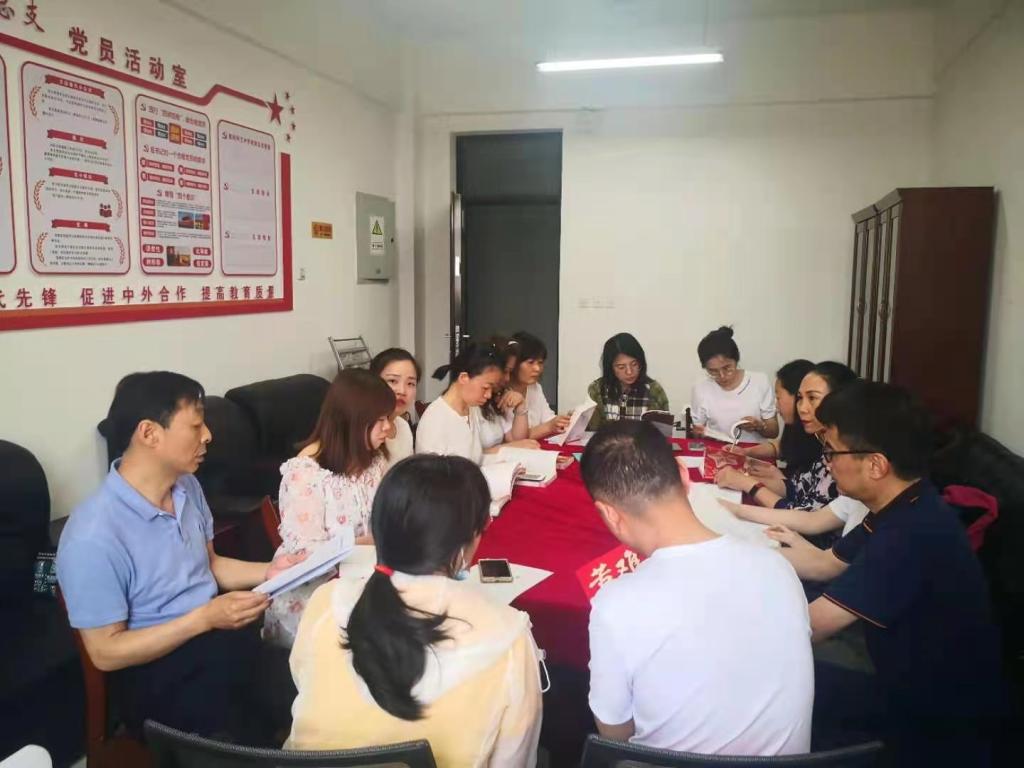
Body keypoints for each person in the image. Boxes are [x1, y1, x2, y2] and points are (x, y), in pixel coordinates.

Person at [56, 372, 305, 740]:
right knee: (250, 730)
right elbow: (106, 652)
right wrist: (203, 618)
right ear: (149, 433)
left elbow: (211, 565)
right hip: (154, 671)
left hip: (216, 642)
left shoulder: (186, 486)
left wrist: (272, 570)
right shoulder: (92, 535)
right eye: (196, 425)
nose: (208, 435)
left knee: (310, 685)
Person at [287, 454, 543, 767]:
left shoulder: (326, 602)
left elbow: (306, 687)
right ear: (470, 539)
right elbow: (515, 759)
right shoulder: (509, 638)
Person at [800, 382, 1005, 766]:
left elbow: (810, 627)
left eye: (832, 451)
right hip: (903, 676)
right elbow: (825, 564)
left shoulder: (910, 533)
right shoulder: (907, 501)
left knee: (776, 680)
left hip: (931, 721)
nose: (827, 463)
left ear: (876, 465)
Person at [580, 421, 813, 755]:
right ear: (683, 474)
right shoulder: (777, 567)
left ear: (609, 514)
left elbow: (614, 735)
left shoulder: (616, 604)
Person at [263, 369, 395, 648]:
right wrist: (366, 543)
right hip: (317, 589)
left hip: (363, 574)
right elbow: (305, 554)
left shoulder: (374, 461)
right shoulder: (305, 474)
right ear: (352, 419)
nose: (389, 428)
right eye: (380, 419)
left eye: (389, 418)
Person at [715, 362, 865, 549]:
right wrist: (746, 479)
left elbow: (806, 519)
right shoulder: (824, 442)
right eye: (800, 398)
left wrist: (748, 485)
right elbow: (797, 488)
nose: (802, 408)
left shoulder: (847, 457)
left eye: (812, 398)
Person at [416, 342, 504, 463]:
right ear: (463, 378)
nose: (489, 395)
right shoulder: (435, 419)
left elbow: (474, 459)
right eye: (485, 387)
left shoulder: (472, 409)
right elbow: (433, 472)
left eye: (492, 389)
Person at [690, 326, 778, 443]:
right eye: (713, 371)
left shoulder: (759, 381)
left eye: (727, 368)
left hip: (755, 451)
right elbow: (697, 432)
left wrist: (759, 426)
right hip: (719, 451)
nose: (722, 376)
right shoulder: (701, 388)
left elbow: (774, 431)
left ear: (736, 360)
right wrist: (699, 432)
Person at [586, 332, 670, 430]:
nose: (629, 372)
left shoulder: (654, 390)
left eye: (634, 364)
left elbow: (663, 433)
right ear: (610, 368)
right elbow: (590, 432)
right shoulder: (597, 390)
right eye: (621, 367)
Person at [507, 331, 570, 440]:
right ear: (513, 364)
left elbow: (548, 419)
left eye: (540, 363)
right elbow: (513, 438)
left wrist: (564, 421)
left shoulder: (535, 388)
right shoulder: (502, 393)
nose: (537, 369)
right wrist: (549, 427)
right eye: (530, 362)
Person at [478, 336, 538, 450]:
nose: (507, 378)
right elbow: (468, 455)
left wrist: (521, 405)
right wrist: (507, 447)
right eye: (505, 371)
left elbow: (516, 439)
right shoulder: (472, 402)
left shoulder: (492, 402)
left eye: (510, 372)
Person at [371, 347, 420, 467]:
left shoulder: (403, 426)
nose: (402, 391)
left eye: (410, 383)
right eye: (392, 381)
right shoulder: (365, 432)